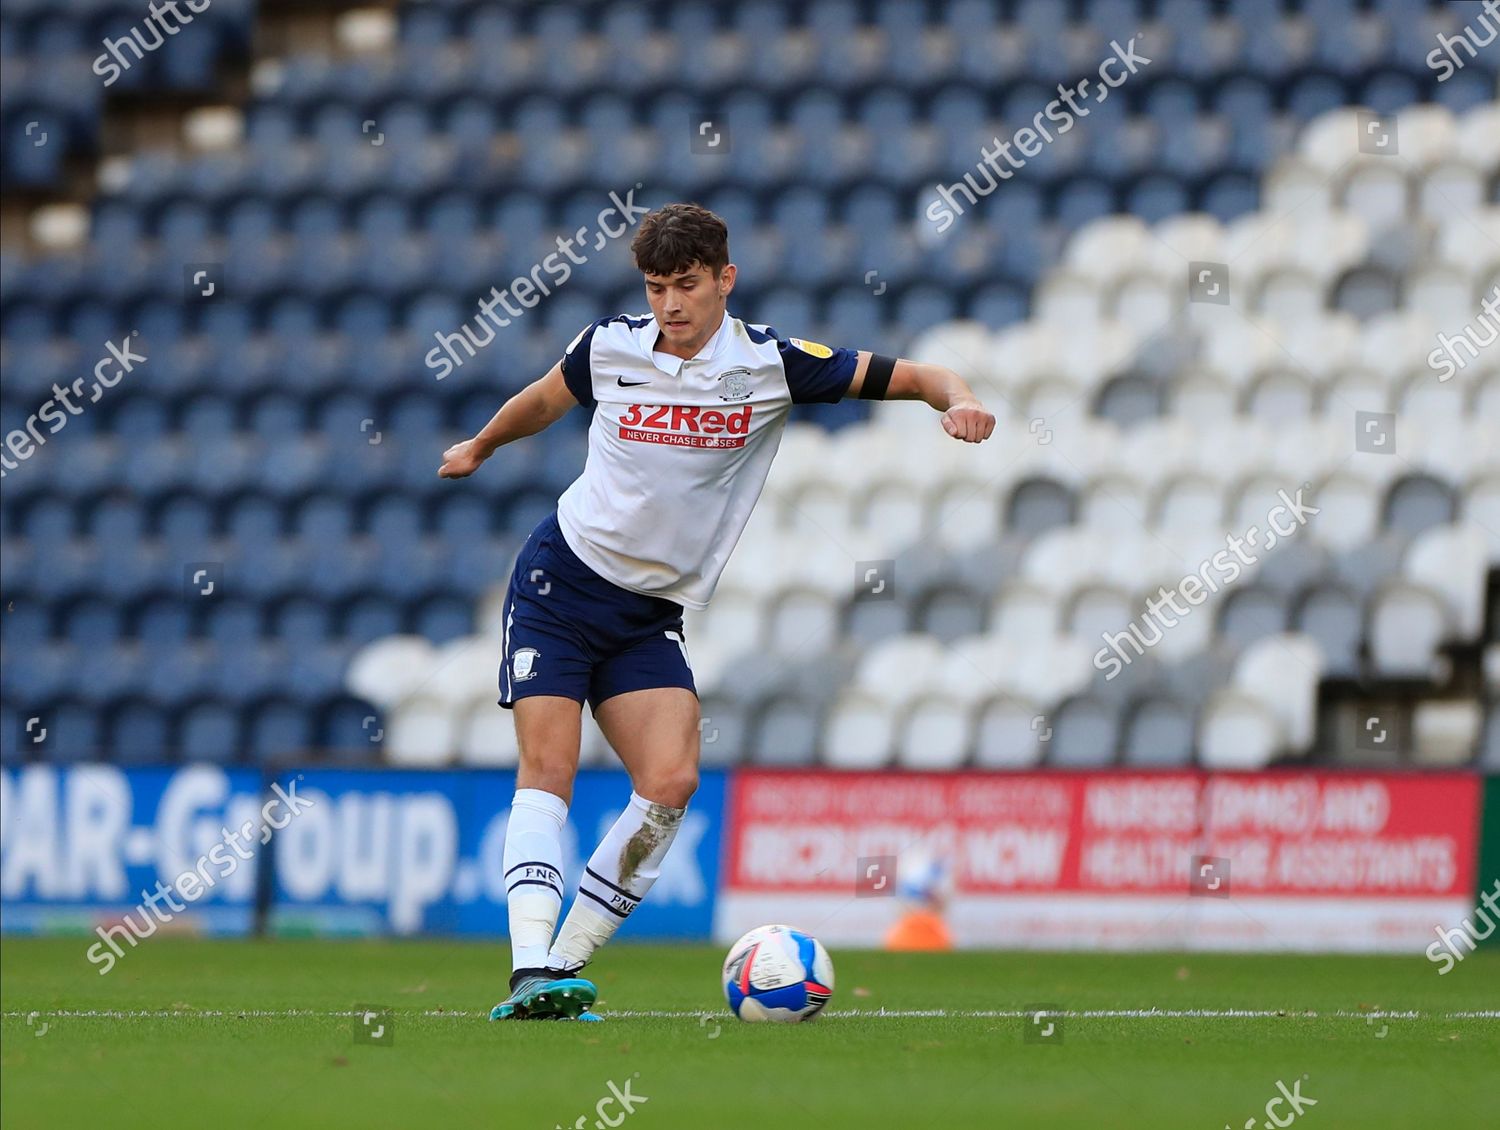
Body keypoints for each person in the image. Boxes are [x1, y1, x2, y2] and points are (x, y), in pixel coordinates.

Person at [438, 203, 995, 1020]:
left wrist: (963, 399)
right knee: (549, 769)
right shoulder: (609, 347)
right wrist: (482, 445)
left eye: (687, 285)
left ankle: (562, 966)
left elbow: (916, 376)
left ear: (724, 280)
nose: (671, 305)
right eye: (657, 287)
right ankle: (528, 968)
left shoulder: (772, 365)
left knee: (670, 781)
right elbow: (545, 400)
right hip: (560, 582)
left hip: (647, 612)